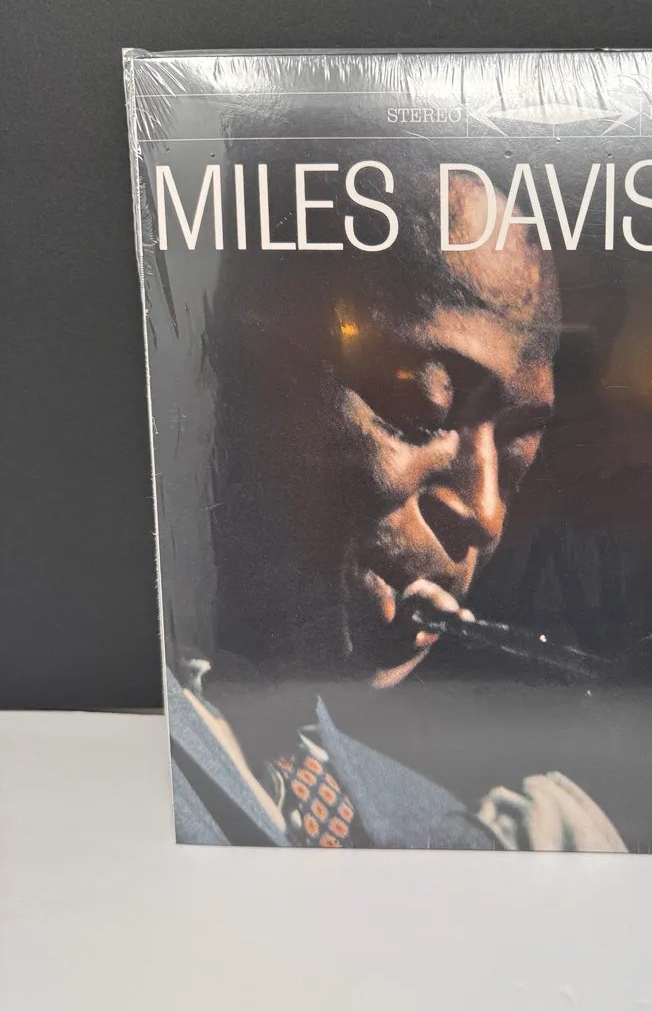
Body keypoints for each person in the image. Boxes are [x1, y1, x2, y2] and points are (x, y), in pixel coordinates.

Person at [167, 169, 626, 852]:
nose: (486, 515)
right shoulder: (102, 777)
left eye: (516, 457)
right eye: (421, 408)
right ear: (235, 372)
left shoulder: (430, 816)